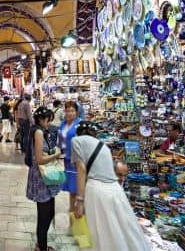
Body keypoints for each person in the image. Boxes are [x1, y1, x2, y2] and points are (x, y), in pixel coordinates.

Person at [72, 121, 150, 251]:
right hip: (115, 191)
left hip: (97, 190)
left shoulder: (77, 141)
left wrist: (79, 200)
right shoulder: (103, 146)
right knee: (120, 230)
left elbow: (81, 170)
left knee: (98, 232)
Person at [26, 107, 61, 251]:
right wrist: (56, 155)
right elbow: (40, 159)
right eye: (48, 120)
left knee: (48, 212)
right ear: (41, 119)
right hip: (42, 176)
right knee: (45, 215)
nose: (49, 123)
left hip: (45, 173)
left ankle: (41, 245)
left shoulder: (37, 130)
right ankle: (41, 247)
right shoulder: (39, 132)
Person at [58, 101, 82, 225]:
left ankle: (77, 220)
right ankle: (72, 221)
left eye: (72, 110)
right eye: (67, 110)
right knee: (72, 191)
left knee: (79, 190)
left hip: (77, 160)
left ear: (76, 112)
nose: (69, 113)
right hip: (67, 159)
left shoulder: (80, 125)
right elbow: (60, 140)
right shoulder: (63, 124)